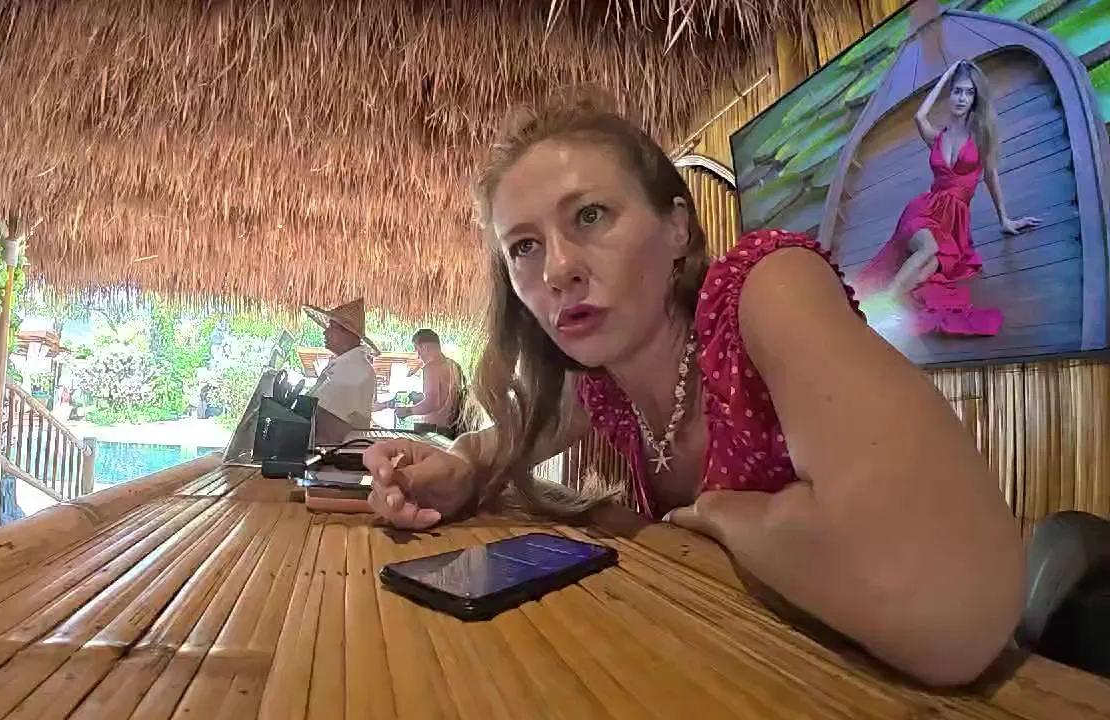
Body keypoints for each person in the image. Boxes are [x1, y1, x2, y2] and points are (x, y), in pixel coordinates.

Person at [361, 100, 1024, 687]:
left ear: (677, 226)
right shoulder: (602, 382)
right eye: (524, 247)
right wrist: (459, 466)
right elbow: (508, 440)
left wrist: (726, 516)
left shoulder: (765, 291)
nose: (557, 269)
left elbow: (949, 613)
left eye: (590, 215)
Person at [855, 60, 1041, 337]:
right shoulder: (937, 138)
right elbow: (919, 117)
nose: (962, 98)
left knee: (928, 269)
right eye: (957, 91)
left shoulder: (980, 137)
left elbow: (990, 176)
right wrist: (945, 78)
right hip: (924, 211)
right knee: (928, 249)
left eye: (968, 93)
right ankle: (881, 306)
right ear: (949, 94)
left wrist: (1005, 219)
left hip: (953, 225)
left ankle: (882, 302)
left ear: (975, 99)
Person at [303, 298, 378, 429]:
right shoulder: (348, 363)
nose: (325, 332)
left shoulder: (354, 368)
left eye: (332, 327)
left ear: (348, 333)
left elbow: (322, 412)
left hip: (337, 441)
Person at [391, 329, 465, 432]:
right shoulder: (454, 365)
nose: (418, 355)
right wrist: (419, 397)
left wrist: (407, 411)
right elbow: (446, 399)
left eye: (417, 349)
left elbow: (431, 403)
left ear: (424, 347)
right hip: (453, 427)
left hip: (435, 429)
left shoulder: (431, 368)